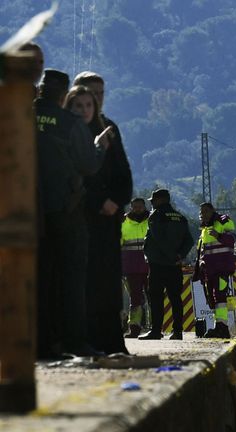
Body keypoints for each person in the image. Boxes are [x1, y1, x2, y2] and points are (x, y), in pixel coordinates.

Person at [34, 69, 106, 358]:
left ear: (40, 90)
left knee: (39, 278)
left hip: (27, 212)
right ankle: (74, 341)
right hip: (65, 210)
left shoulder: (18, 116)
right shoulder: (70, 123)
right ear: (64, 95)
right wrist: (99, 148)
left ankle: (41, 343)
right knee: (72, 279)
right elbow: (88, 165)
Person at [64, 84, 130, 354]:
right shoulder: (67, 134)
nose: (85, 110)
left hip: (109, 223)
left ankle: (112, 340)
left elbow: (123, 174)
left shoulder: (109, 131)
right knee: (85, 284)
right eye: (78, 106)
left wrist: (116, 199)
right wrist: (98, 201)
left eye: (89, 105)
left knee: (109, 283)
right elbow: (77, 175)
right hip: (82, 219)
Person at [139, 189, 195, 340]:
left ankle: (156, 331)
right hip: (175, 265)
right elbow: (189, 240)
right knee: (175, 298)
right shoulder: (180, 217)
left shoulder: (156, 216)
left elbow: (159, 239)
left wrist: (171, 256)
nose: (151, 203)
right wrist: (179, 255)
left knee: (156, 297)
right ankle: (177, 331)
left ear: (161, 200)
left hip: (158, 264)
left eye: (153, 200)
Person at [193, 203, 236, 338]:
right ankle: (218, 326)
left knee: (220, 297)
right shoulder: (204, 229)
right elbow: (202, 251)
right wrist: (199, 268)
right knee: (212, 299)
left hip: (221, 268)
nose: (203, 214)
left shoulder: (224, 221)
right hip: (209, 270)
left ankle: (222, 327)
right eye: (201, 212)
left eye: (206, 211)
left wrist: (219, 235)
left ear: (213, 211)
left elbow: (232, 240)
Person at [121, 198, 150, 338]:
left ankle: (156, 328)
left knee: (153, 297)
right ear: (131, 207)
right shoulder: (123, 221)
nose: (137, 209)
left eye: (140, 206)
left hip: (150, 265)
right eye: (135, 207)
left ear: (145, 206)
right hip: (131, 267)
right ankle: (134, 328)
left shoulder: (152, 220)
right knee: (135, 299)